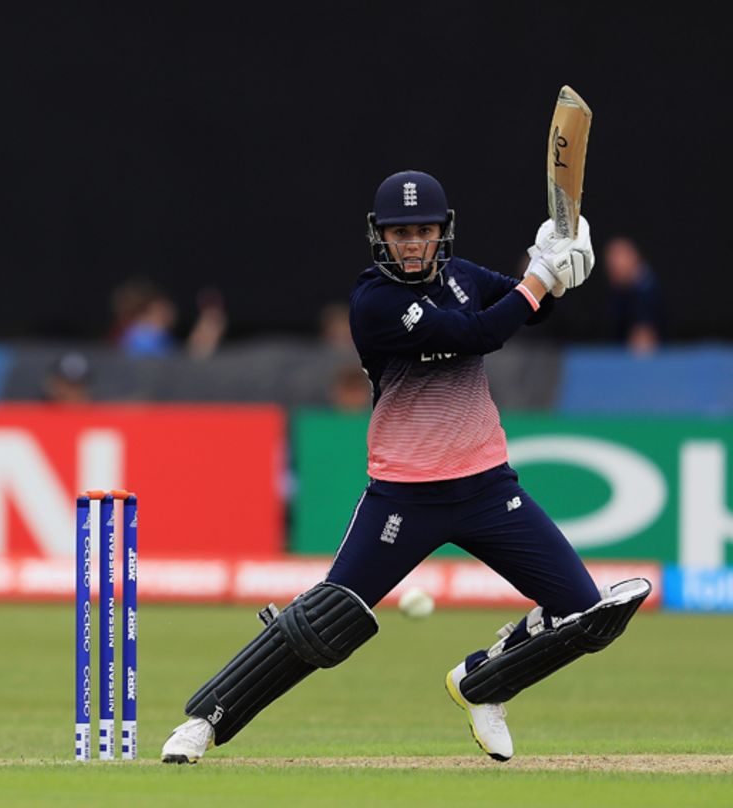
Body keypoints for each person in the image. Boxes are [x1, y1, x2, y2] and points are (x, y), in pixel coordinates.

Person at [160, 170, 651, 764]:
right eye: (400, 234)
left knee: (585, 612)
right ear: (380, 237)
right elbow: (478, 333)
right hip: (404, 496)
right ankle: (204, 722)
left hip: (487, 487)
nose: (413, 244)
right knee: (325, 620)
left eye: (423, 231)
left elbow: (530, 311)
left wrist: (559, 263)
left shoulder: (462, 276)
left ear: (443, 231)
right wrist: (540, 275)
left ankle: (482, 683)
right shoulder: (375, 303)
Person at [109, 277, 226, 359]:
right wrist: (205, 337)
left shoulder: (155, 337)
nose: (171, 310)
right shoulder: (143, 338)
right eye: (163, 306)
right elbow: (177, 369)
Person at [603, 235, 662, 355]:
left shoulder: (645, 293)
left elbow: (643, 344)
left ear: (633, 258)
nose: (613, 267)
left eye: (618, 260)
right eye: (610, 263)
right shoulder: (619, 291)